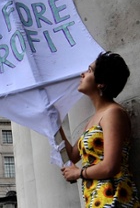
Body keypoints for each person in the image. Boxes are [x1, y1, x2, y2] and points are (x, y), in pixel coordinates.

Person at [60, 51, 140, 207]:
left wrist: (79, 173)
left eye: (89, 70)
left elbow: (111, 166)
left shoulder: (113, 113)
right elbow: (71, 155)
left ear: (101, 83)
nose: (82, 74)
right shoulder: (94, 119)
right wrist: (54, 121)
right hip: (98, 200)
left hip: (115, 198)